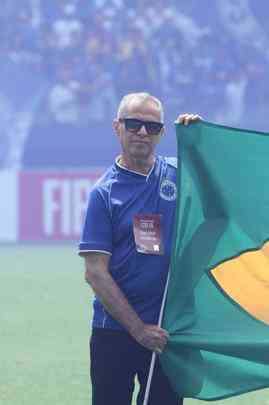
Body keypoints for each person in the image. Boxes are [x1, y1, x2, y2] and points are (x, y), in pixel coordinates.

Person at [78, 92, 200, 405]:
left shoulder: (180, 175)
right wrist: (138, 329)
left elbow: (219, 190)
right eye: (133, 125)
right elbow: (95, 273)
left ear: (162, 133)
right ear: (116, 127)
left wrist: (199, 141)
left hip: (167, 333)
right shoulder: (104, 194)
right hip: (114, 332)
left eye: (152, 126)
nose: (142, 132)